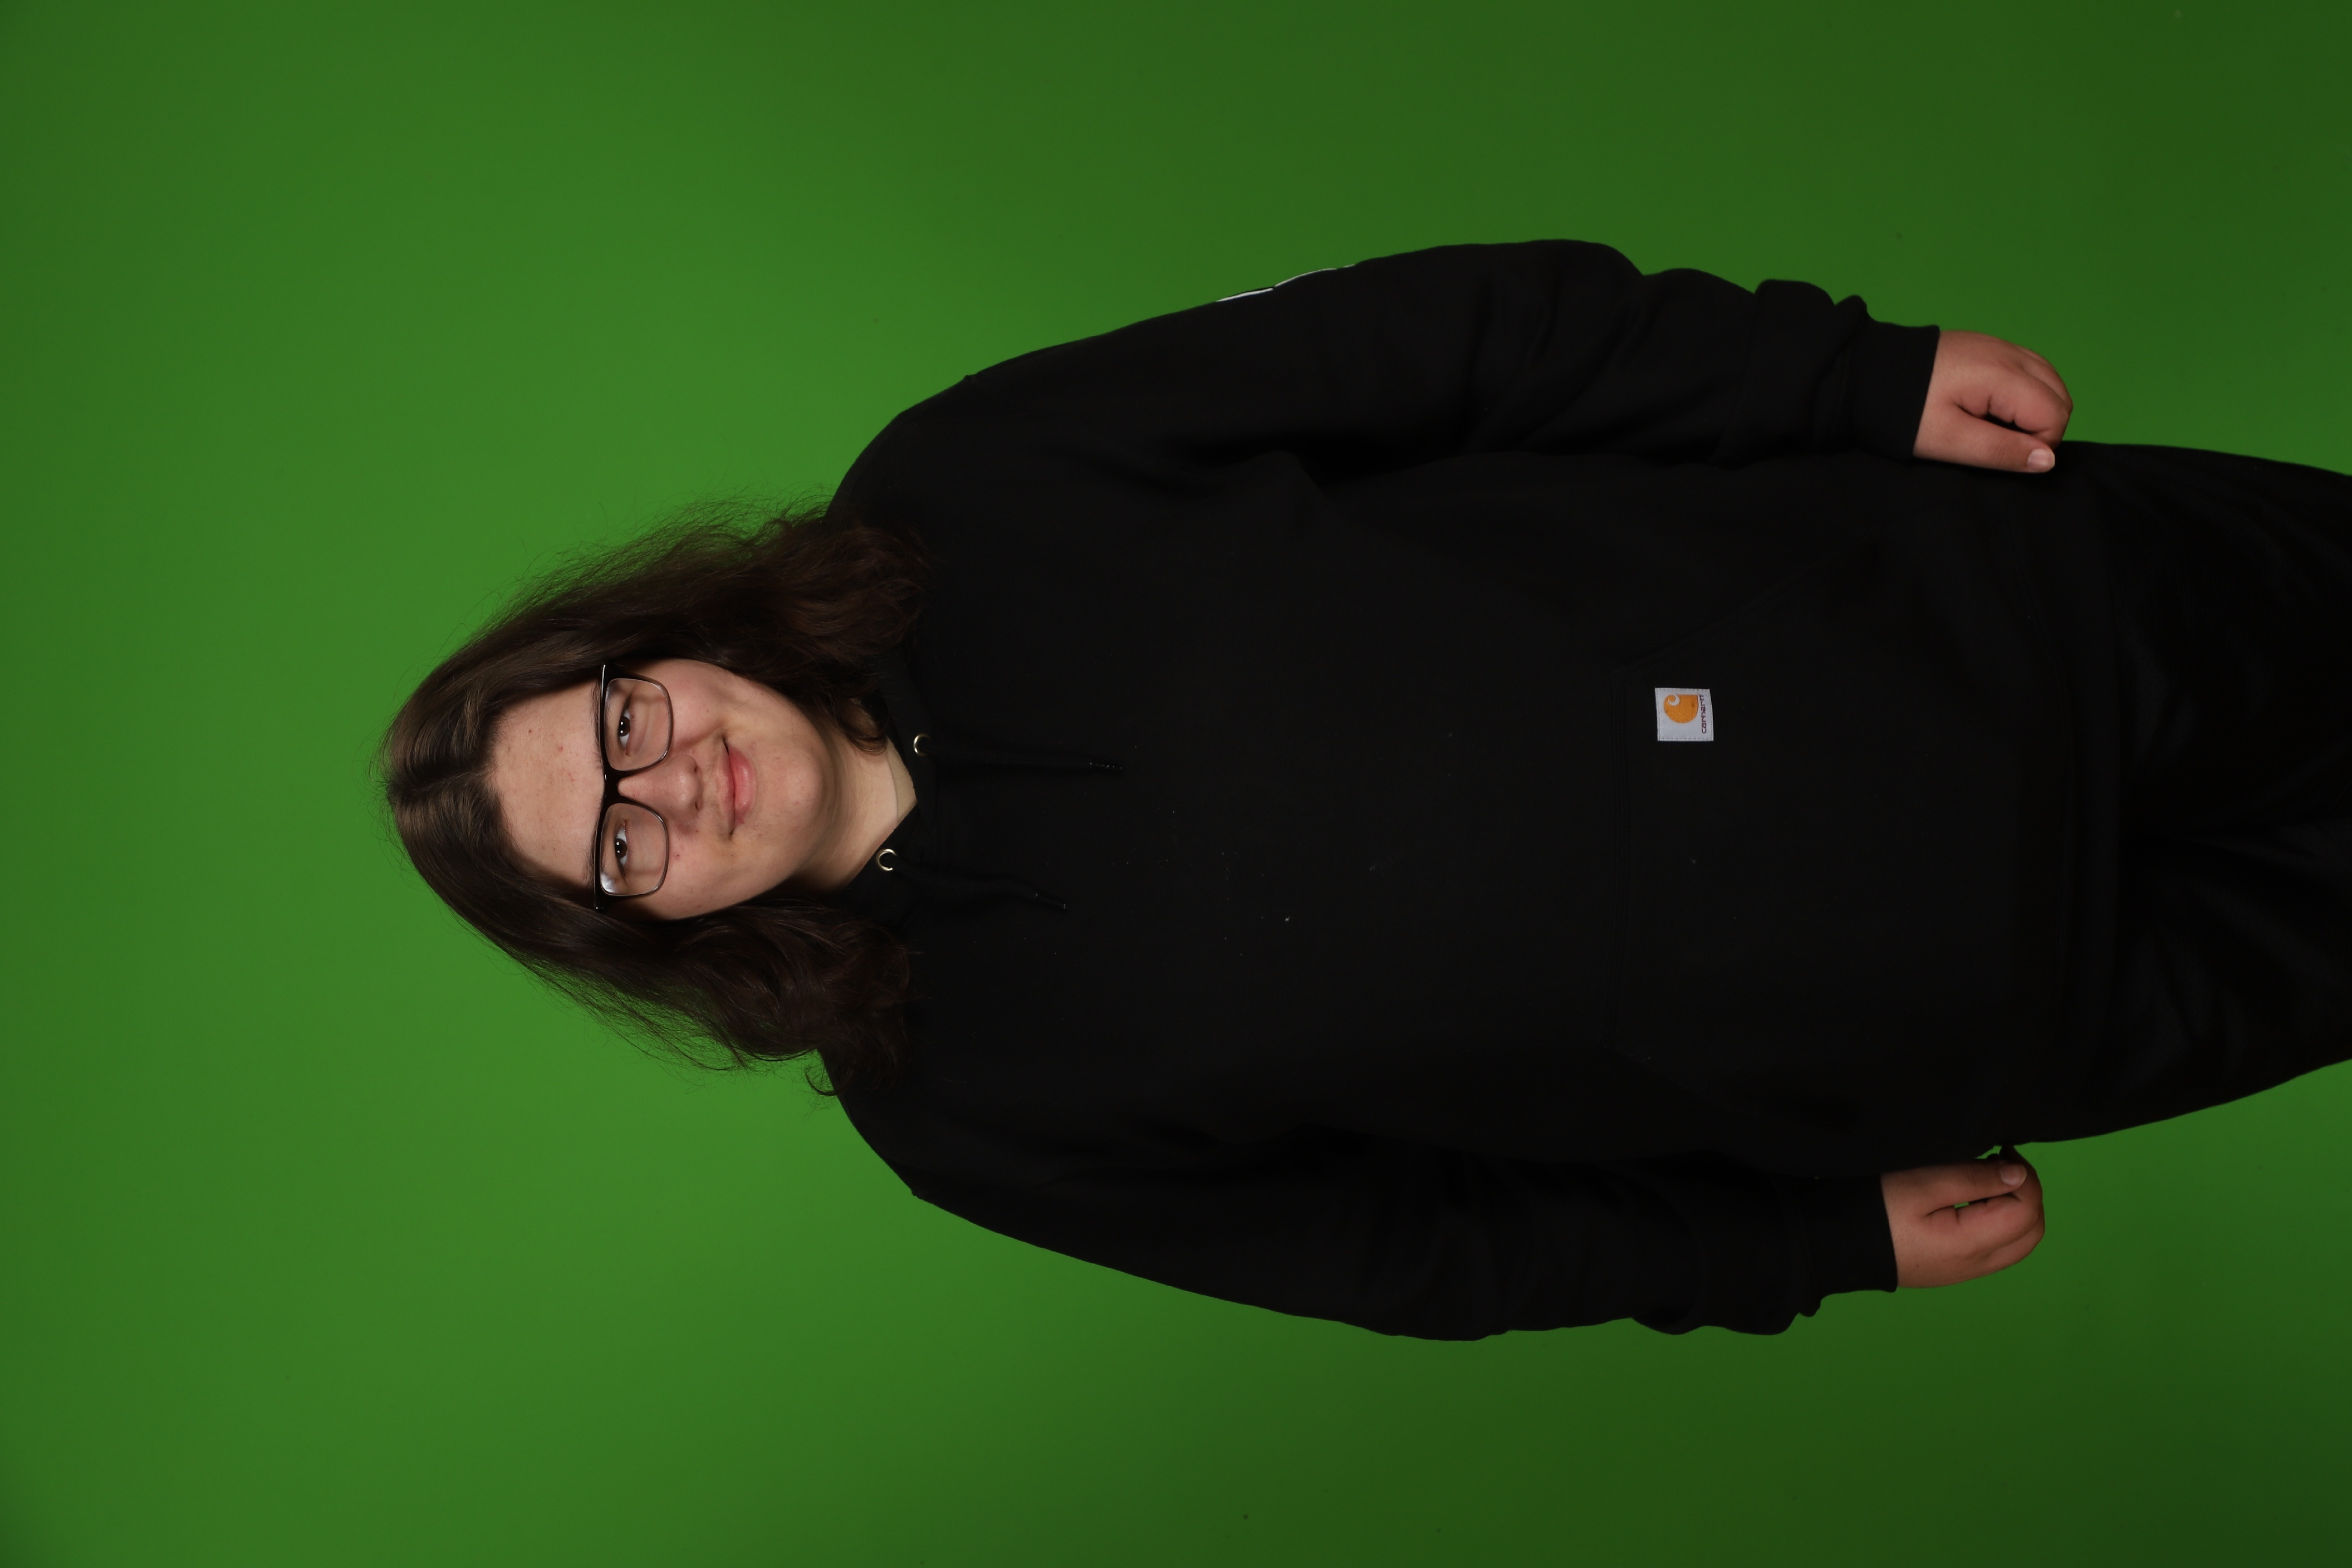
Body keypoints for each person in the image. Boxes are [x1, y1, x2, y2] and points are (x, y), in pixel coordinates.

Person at [384, 239, 2352, 1338]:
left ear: (654, 642)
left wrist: (1843, 377)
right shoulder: (965, 1114)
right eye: (619, 848)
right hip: (1999, 1000)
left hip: (2005, 609)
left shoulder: (966, 485)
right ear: (651, 932)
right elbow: (1418, 1250)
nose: (678, 783)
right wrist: (1806, 1243)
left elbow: (1445, 340)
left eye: (623, 721)